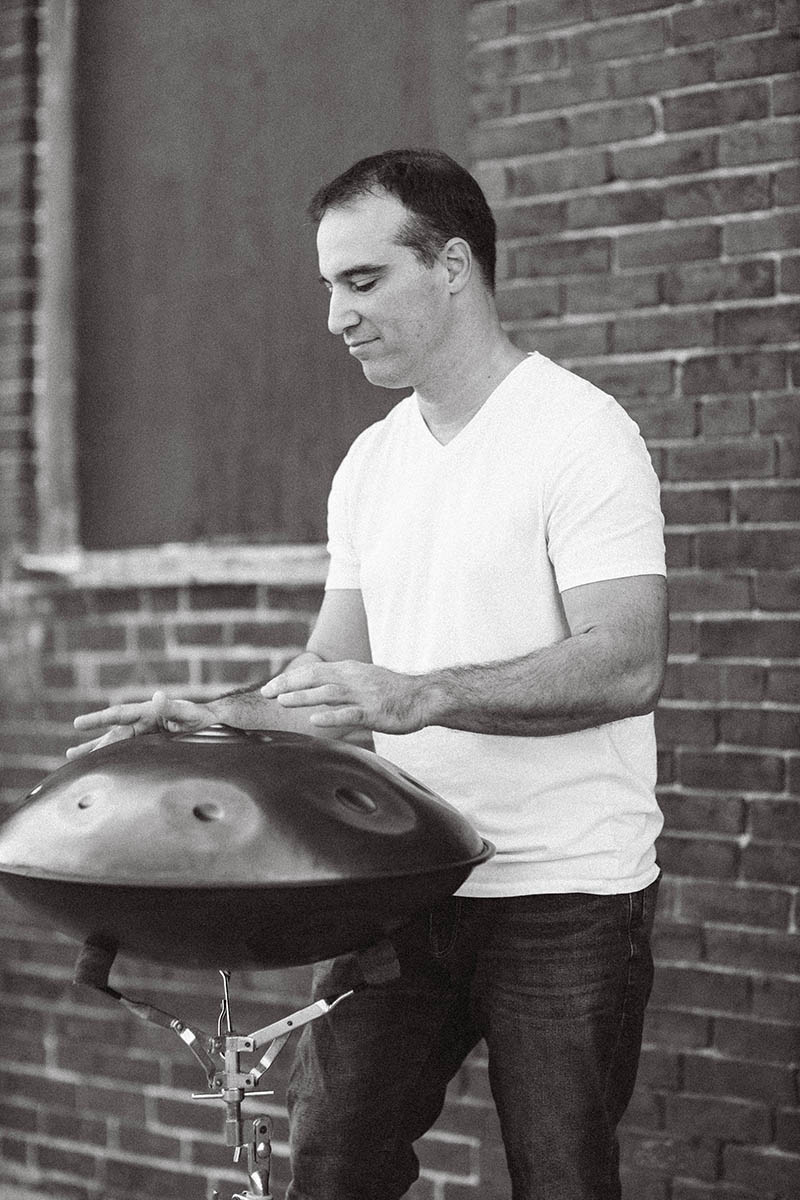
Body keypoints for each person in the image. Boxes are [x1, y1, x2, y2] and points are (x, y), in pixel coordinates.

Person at [69, 149, 669, 1200]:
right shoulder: (371, 464)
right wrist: (208, 721)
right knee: (332, 1166)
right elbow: (332, 687)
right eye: (328, 289)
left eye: (361, 282)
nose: (336, 318)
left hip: (562, 895)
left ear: (450, 265)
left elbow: (625, 663)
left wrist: (418, 693)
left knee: (562, 1179)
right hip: (398, 883)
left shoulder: (578, 434)